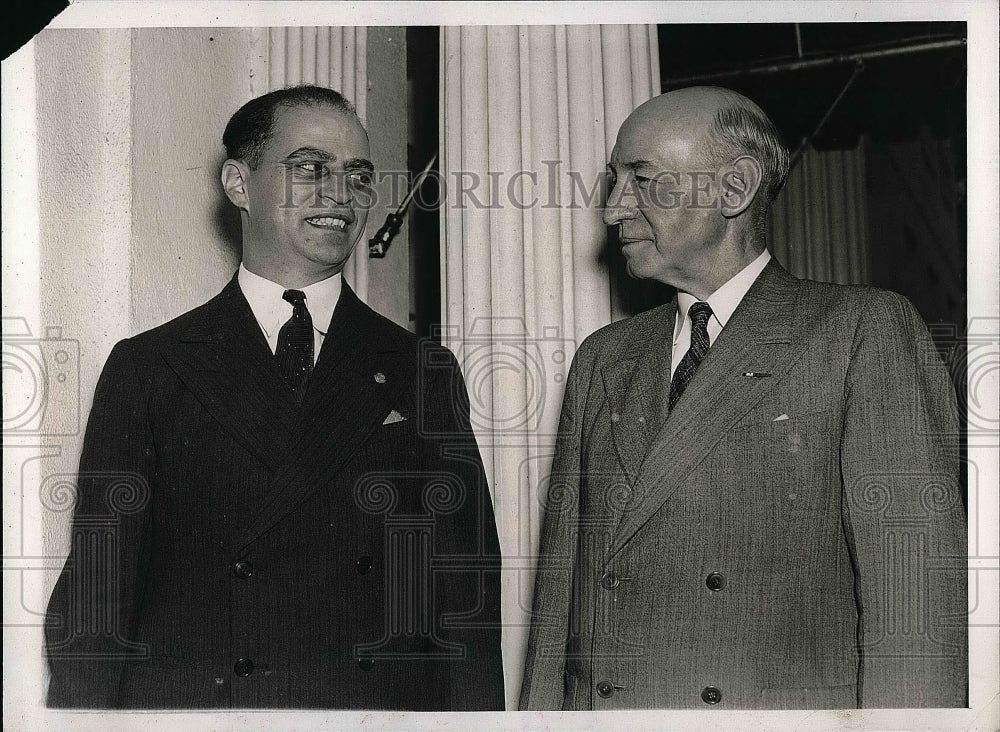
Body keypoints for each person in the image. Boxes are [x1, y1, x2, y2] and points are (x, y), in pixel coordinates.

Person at [44, 85, 504, 710]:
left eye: (358, 175)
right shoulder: (151, 366)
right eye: (310, 168)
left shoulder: (422, 369)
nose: (341, 195)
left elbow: (466, 599)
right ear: (239, 183)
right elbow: (97, 599)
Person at [519, 86, 967, 710]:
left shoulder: (859, 331)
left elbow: (916, 616)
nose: (614, 207)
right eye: (613, 180)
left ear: (734, 190)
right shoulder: (604, 359)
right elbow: (559, 612)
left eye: (643, 180)